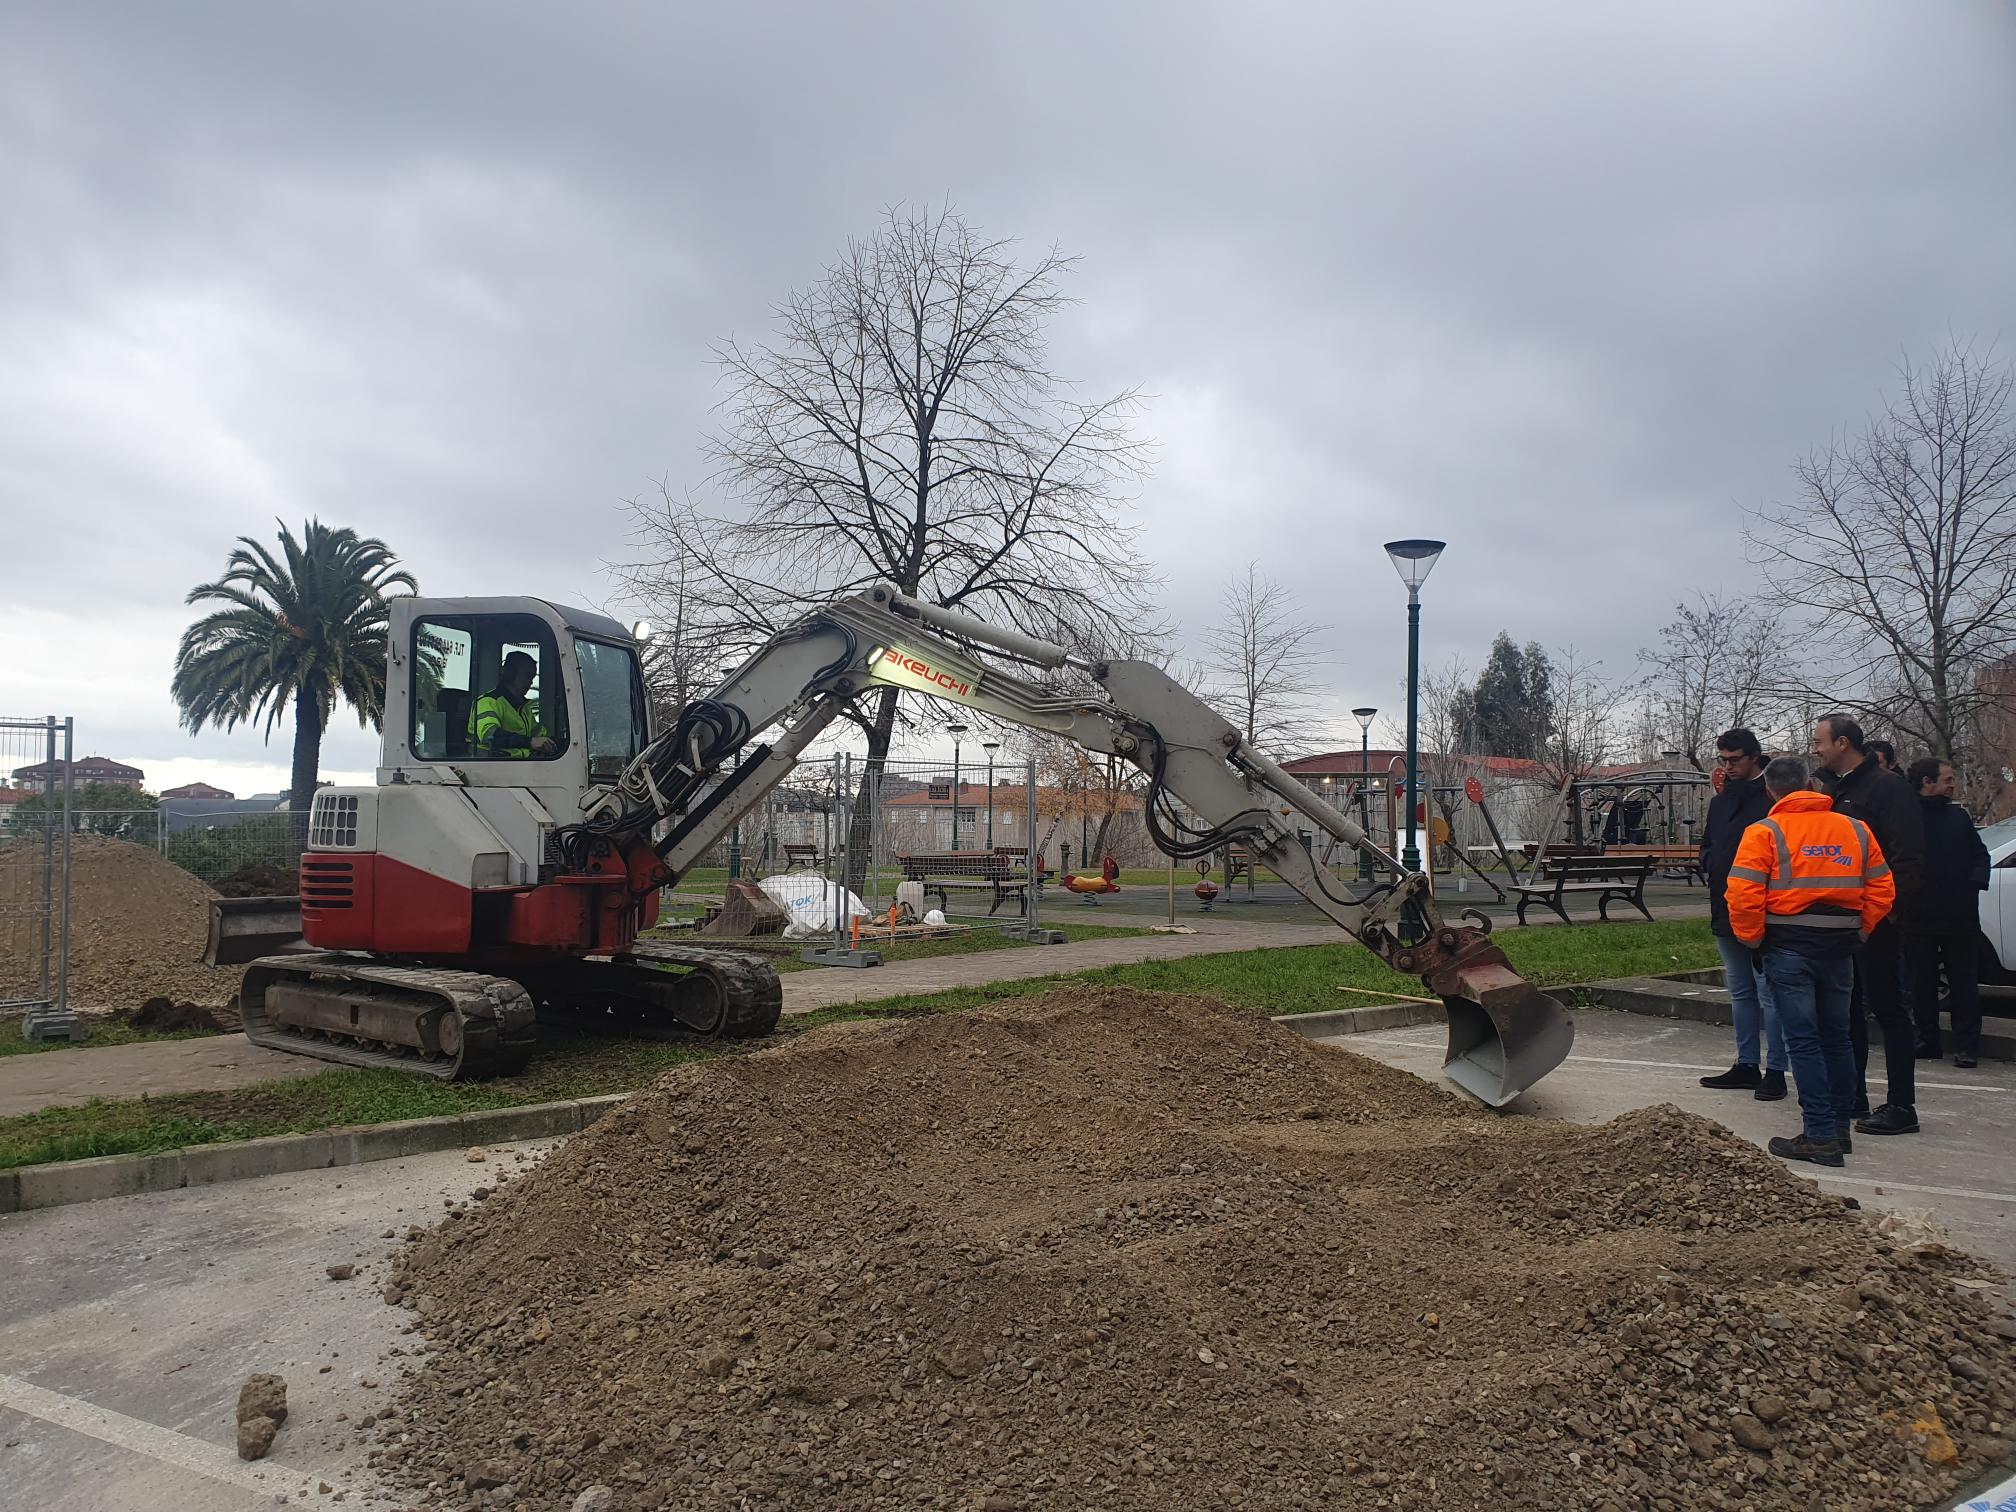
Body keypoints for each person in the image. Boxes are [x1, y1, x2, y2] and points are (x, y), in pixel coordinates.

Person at [1727, 755, 1894, 1167]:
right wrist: (1862, 929)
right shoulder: (1854, 829)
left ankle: (1818, 1134)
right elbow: (1883, 887)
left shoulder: (1764, 832)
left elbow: (1743, 895)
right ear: (1811, 785)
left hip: (1788, 947)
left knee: (1803, 1041)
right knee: (1837, 1037)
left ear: (1770, 790)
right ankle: (1838, 1129)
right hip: (1840, 947)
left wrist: (1754, 942)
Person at [1811, 712, 1926, 1136]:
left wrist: (1887, 912)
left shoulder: (1886, 788)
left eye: (1820, 741)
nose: (1815, 748)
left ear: (1843, 743)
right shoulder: (1836, 790)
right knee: (1847, 1010)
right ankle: (1852, 1094)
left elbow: (1908, 857)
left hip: (1877, 919)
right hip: (1845, 921)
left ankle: (1901, 1106)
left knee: (1889, 1009)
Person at [1696, 728, 1788, 1099]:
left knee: (1770, 992)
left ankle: (1777, 1069)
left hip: (1764, 911)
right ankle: (1747, 1063)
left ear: (1754, 758)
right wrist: (1710, 862)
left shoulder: (1771, 801)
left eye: (1735, 760)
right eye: (1723, 760)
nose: (1728, 767)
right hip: (1724, 906)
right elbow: (1708, 843)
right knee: (1741, 991)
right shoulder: (1720, 802)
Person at [1903, 756, 1990, 1068]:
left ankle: (1967, 1047)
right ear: (1928, 783)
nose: (1953, 785)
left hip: (1959, 915)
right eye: (1948, 779)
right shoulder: (1906, 817)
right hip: (1918, 915)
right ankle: (1927, 1040)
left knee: (1964, 984)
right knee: (1921, 983)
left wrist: (1974, 883)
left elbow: (1980, 855)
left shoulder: (1959, 818)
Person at [468, 651, 556, 758]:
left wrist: (557, 743)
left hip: (518, 766)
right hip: (490, 767)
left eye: (532, 678)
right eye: (527, 676)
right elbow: (490, 736)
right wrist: (530, 742)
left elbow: (541, 736)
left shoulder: (523, 708)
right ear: (510, 674)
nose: (531, 682)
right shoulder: (488, 702)